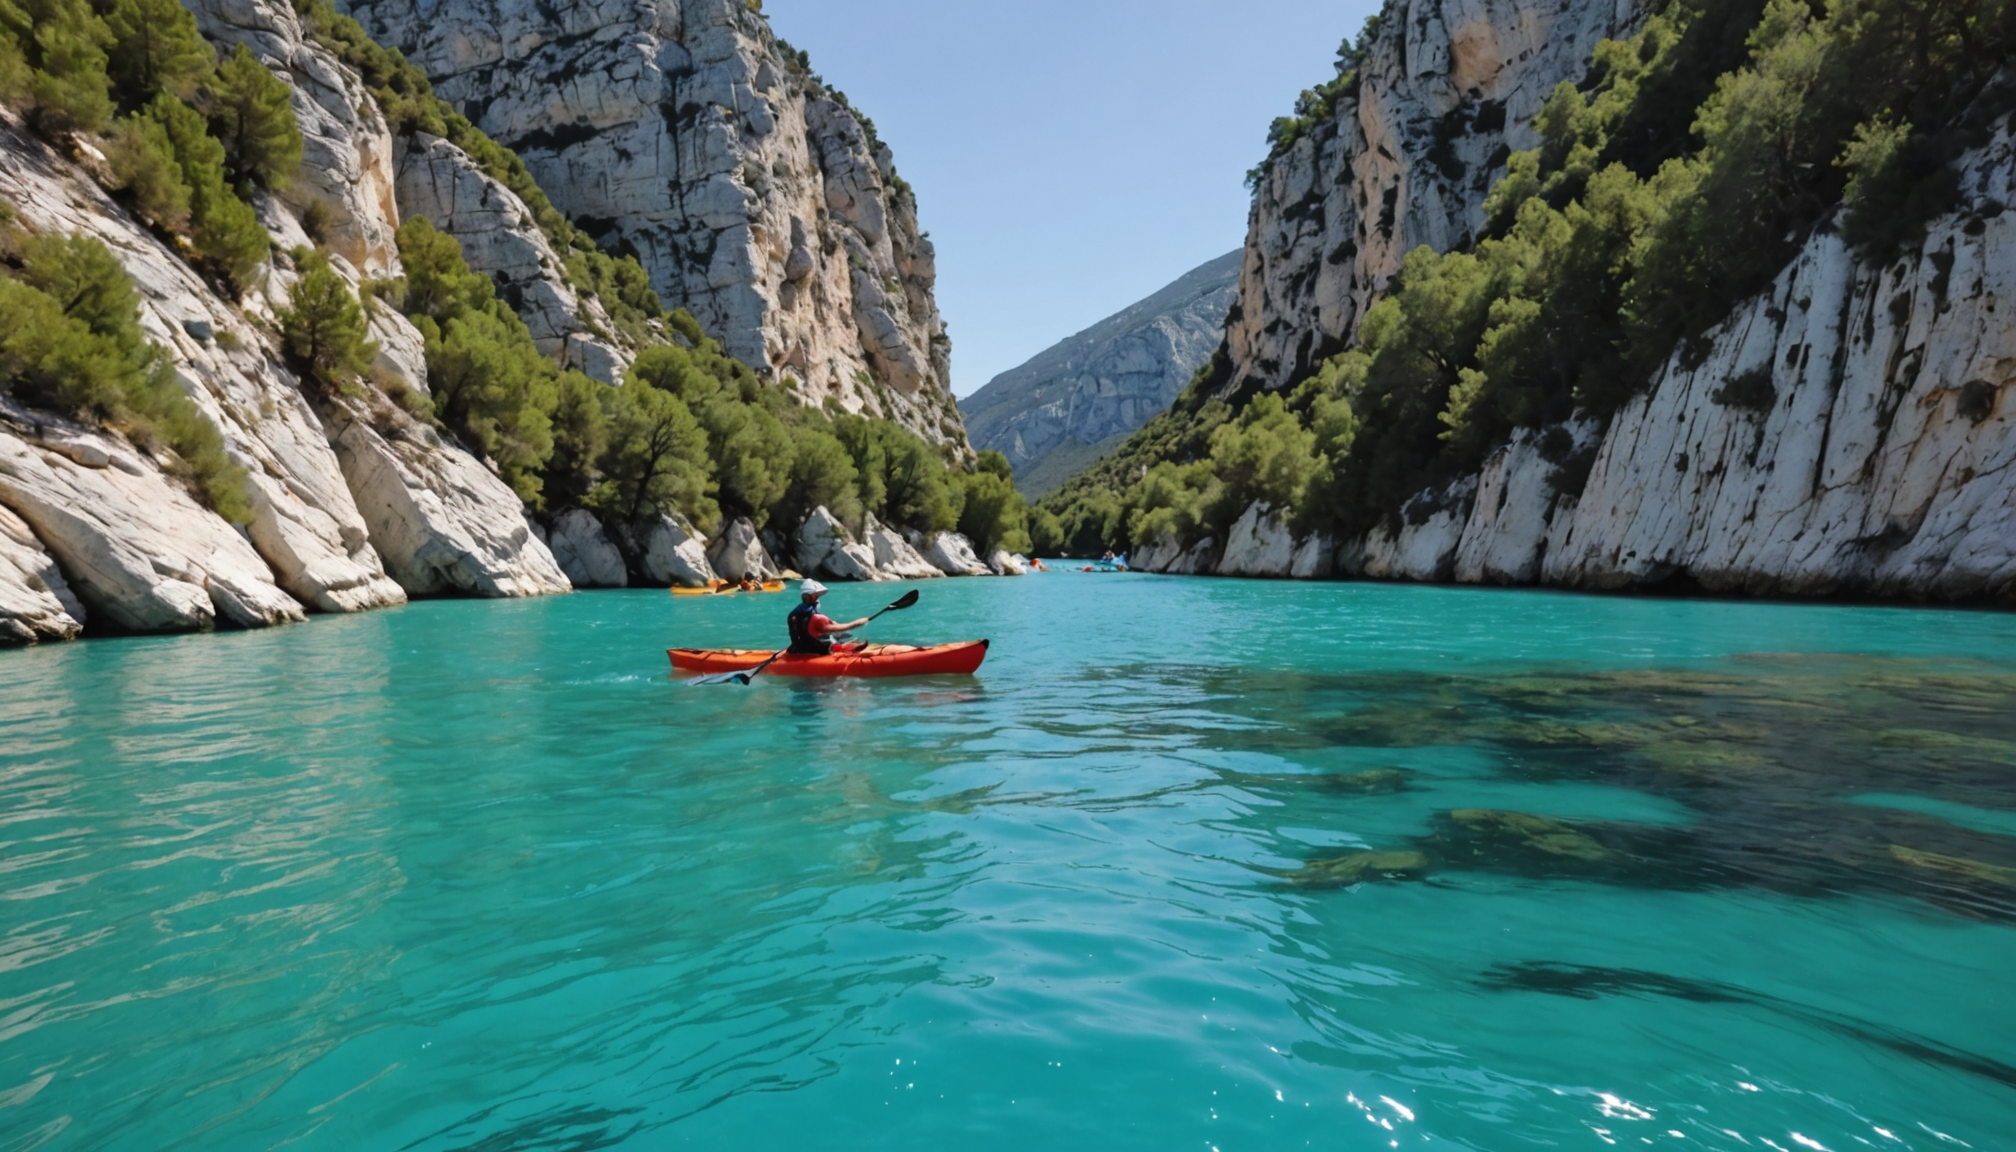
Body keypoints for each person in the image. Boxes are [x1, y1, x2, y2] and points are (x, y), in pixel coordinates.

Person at [787, 580, 870, 655]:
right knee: (841, 636)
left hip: (798, 649)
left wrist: (832, 623)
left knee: (834, 636)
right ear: (812, 597)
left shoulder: (793, 614)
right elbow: (842, 628)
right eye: (816, 596)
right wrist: (859, 622)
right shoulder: (818, 618)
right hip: (815, 650)